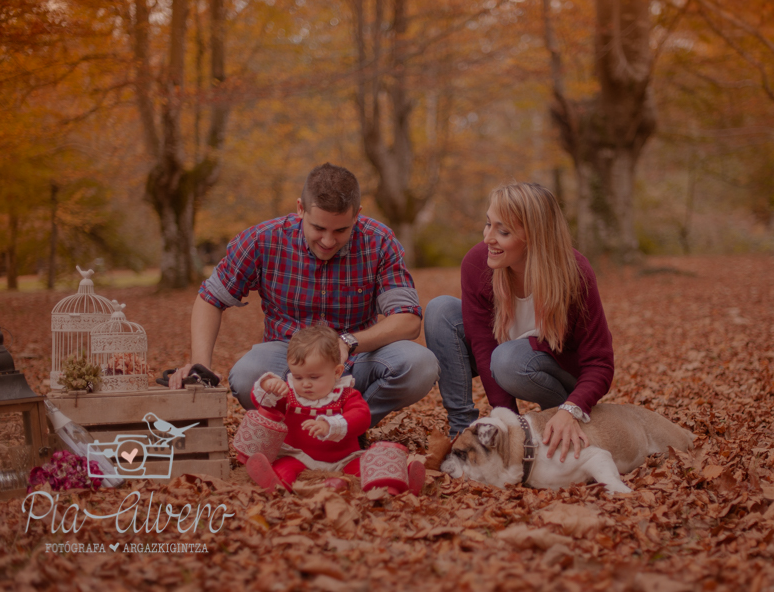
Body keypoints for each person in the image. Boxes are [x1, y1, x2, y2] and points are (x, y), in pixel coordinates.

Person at [169, 163, 439, 427]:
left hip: (355, 358)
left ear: (357, 214)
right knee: (245, 376)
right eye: (319, 228)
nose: (328, 241)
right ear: (300, 208)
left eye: (341, 230)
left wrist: (347, 342)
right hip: (288, 360)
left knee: (421, 365)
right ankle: (298, 432)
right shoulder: (262, 239)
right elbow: (210, 298)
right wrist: (200, 367)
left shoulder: (379, 241)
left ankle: (348, 426)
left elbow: (408, 319)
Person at [424, 182, 614, 462]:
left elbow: (600, 363)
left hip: (555, 371)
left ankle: (557, 417)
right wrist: (507, 427)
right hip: (504, 360)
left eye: (503, 232)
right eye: (488, 224)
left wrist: (571, 408)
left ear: (535, 237)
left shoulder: (575, 274)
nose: (488, 238)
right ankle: (462, 429)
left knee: (508, 360)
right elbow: (483, 347)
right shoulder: (478, 263)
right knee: (440, 310)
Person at [243, 326, 370, 491]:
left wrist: (330, 425)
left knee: (363, 467)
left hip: (343, 458)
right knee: (285, 467)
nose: (305, 384)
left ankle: (382, 484)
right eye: (298, 377)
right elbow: (266, 405)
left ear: (337, 372)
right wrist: (268, 386)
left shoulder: (345, 395)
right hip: (298, 456)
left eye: (314, 377)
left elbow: (362, 417)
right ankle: (277, 485)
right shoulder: (290, 394)